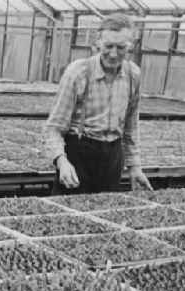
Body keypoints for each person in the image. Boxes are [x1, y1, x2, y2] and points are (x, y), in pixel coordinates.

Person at [45, 13, 153, 194]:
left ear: (131, 46)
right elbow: (54, 128)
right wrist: (61, 162)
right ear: (97, 43)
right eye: (108, 46)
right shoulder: (78, 73)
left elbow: (130, 127)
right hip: (79, 154)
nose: (113, 53)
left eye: (121, 47)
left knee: (105, 209)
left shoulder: (133, 75)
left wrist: (135, 167)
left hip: (112, 157)